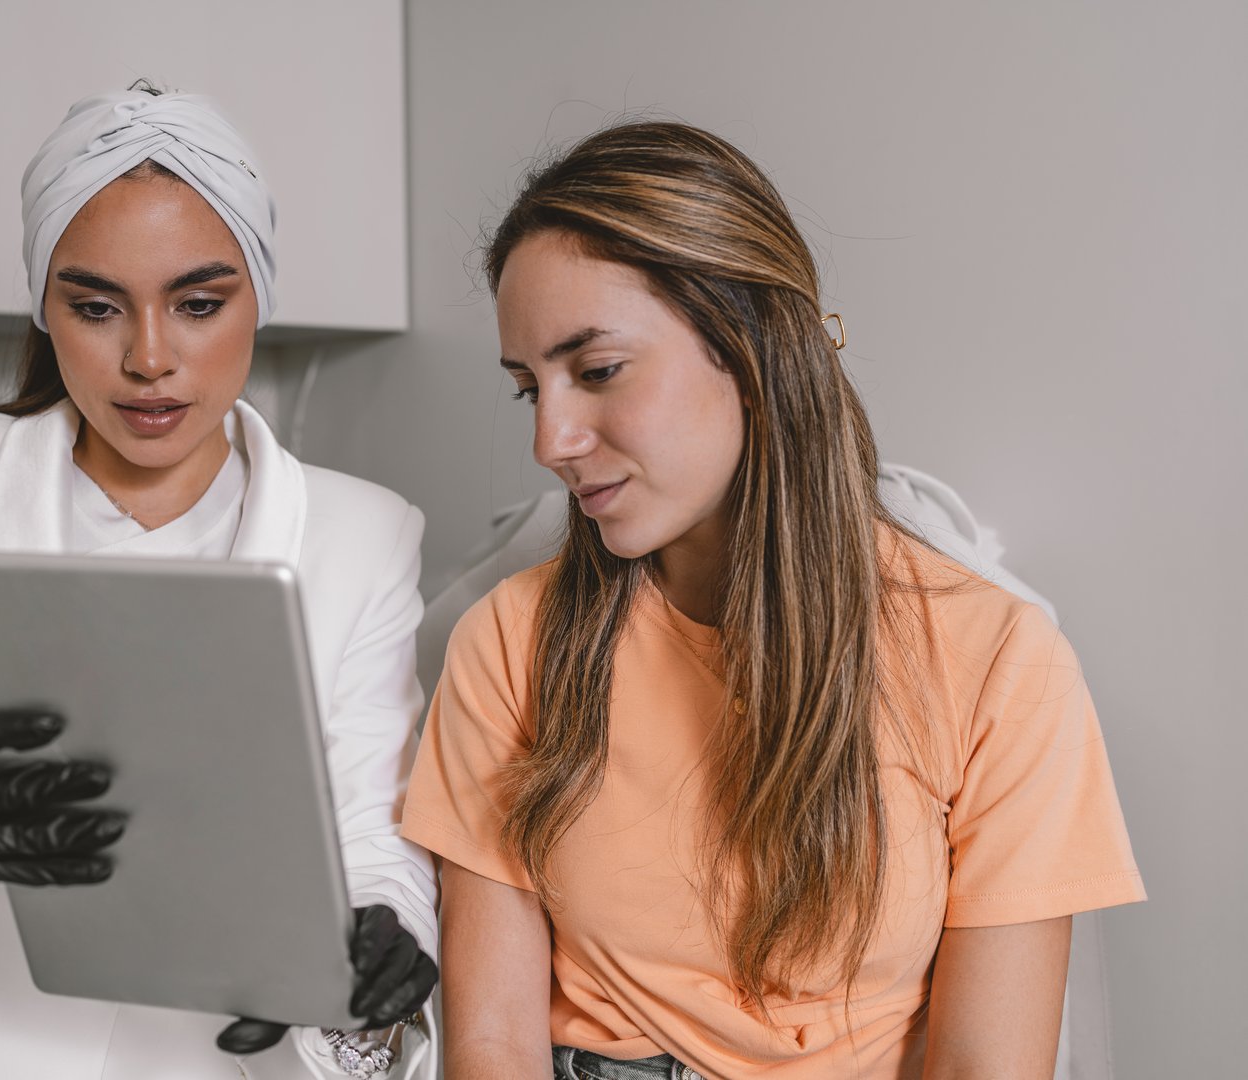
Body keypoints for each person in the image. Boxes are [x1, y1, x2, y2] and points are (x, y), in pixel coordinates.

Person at [400, 121, 1144, 1079]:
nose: (551, 440)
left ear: (749, 349)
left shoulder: (998, 661)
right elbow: (493, 1045)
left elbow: (984, 1068)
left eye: (597, 371)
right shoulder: (509, 642)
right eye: (526, 389)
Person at [0, 86, 437, 1080]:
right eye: (96, 307)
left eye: (198, 303)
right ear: (45, 307)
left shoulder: (364, 535)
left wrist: (380, 945)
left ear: (257, 297)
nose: (149, 358)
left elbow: (370, 843)